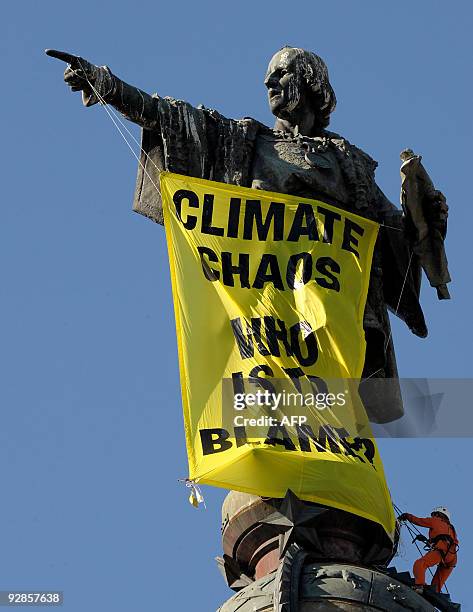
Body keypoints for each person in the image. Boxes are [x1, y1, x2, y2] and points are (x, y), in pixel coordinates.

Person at [46, 46, 448, 423]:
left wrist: (424, 223)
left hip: (334, 320)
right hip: (267, 313)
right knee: (275, 420)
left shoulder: (350, 165)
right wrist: (108, 86)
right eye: (267, 77)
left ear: (309, 82)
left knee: (328, 423)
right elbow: (167, 116)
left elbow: (392, 242)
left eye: (280, 74)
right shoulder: (244, 143)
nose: (269, 84)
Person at [399, 506, 458, 592]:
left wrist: (407, 516)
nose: (432, 517)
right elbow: (445, 540)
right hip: (452, 557)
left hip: (442, 551)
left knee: (419, 564)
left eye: (433, 515)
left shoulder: (435, 520)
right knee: (436, 585)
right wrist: (426, 540)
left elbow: (419, 521)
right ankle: (435, 595)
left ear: (437, 514)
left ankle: (420, 586)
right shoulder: (451, 528)